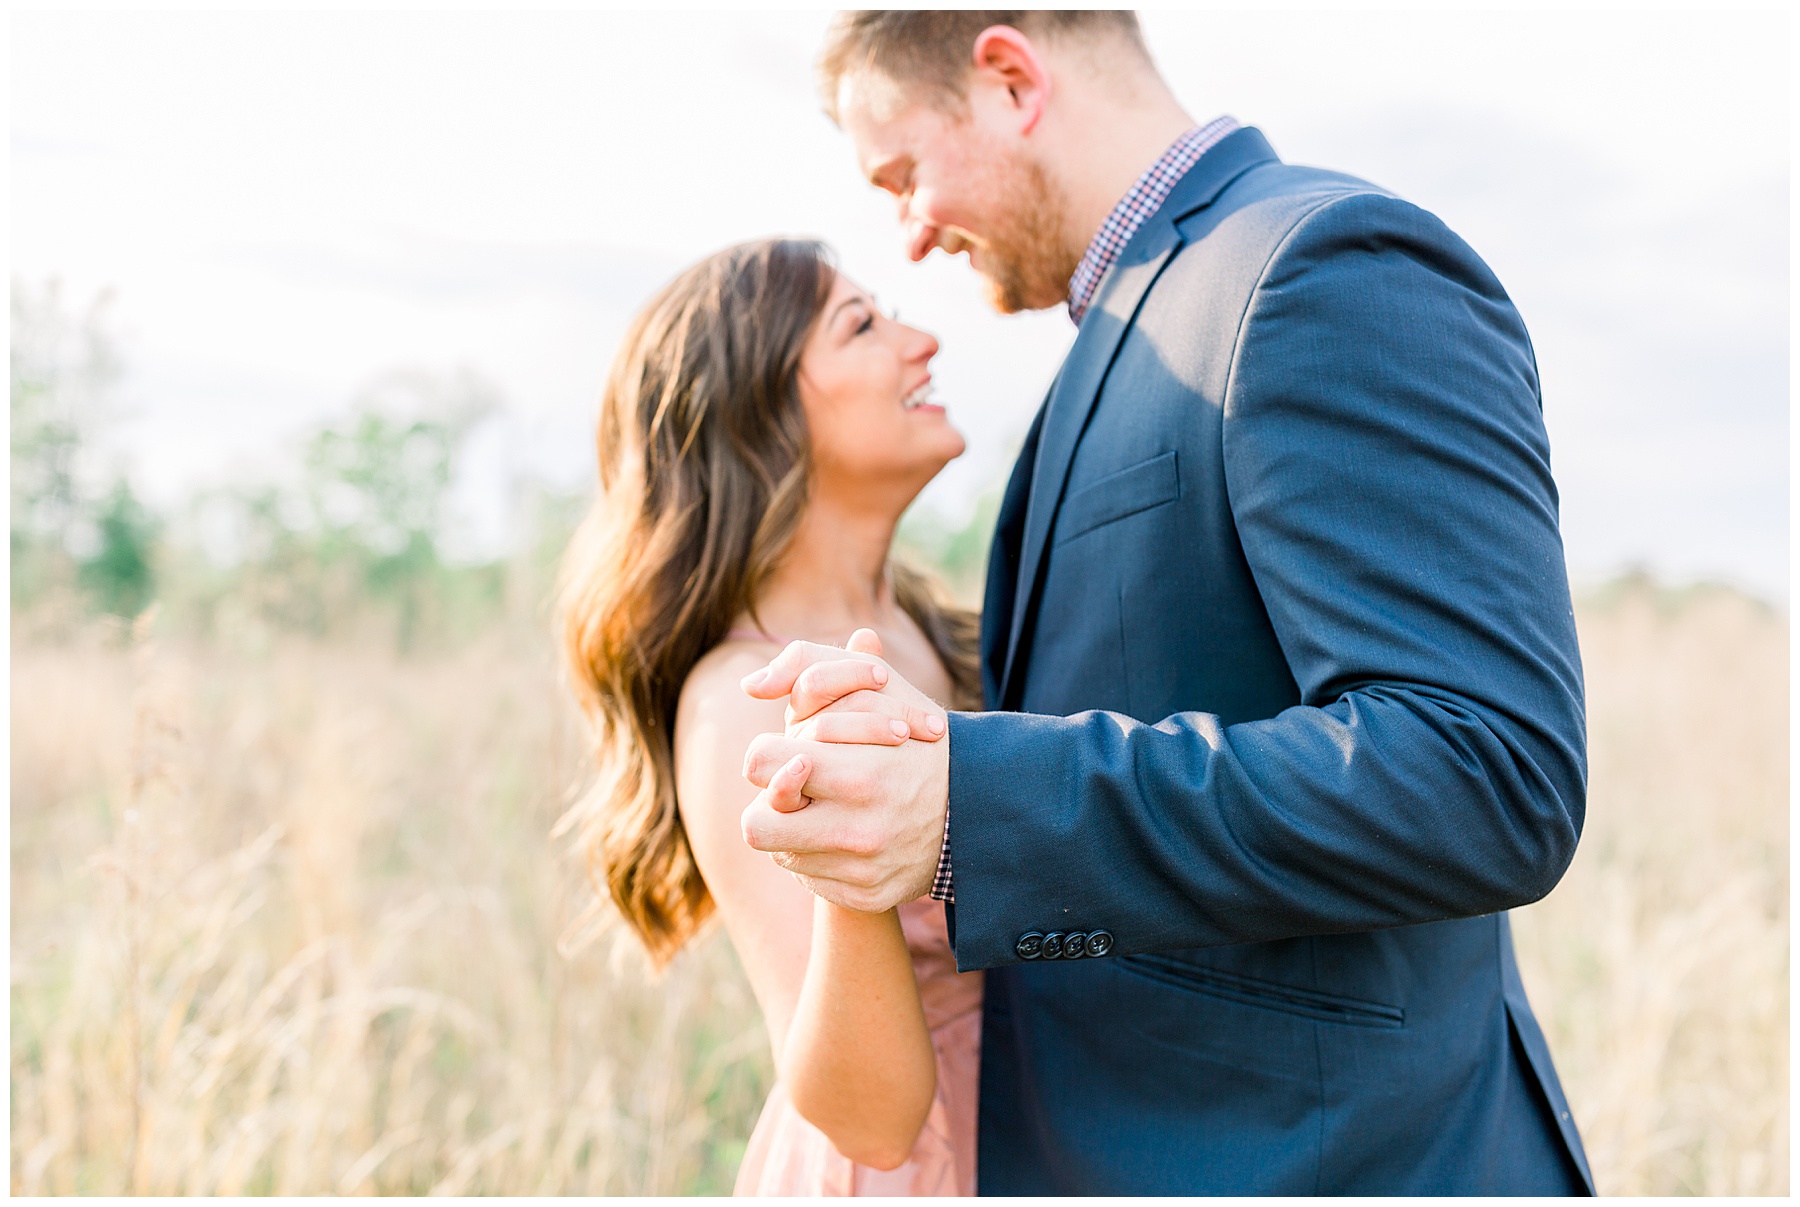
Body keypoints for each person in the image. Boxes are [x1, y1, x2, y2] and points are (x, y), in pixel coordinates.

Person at [737, 10, 1598, 1195]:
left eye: (905, 172)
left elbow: (1482, 771)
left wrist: (970, 809)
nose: (913, 231)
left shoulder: (1321, 266)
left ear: (1008, 80)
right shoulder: (1121, 338)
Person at [557, 238, 982, 1195]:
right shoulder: (742, 709)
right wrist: (850, 852)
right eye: (864, 325)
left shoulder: (940, 635)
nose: (923, 343)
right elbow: (871, 1121)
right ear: (763, 411)